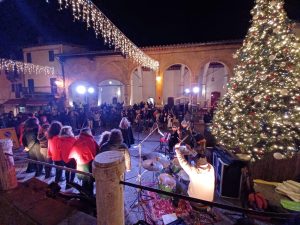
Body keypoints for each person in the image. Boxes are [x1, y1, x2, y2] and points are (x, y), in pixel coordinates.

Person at [69, 128, 99, 196]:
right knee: (89, 180)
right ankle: (89, 196)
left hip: (80, 163)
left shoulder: (78, 139)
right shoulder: (90, 140)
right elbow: (94, 152)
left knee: (84, 180)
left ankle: (84, 193)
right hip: (88, 163)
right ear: (88, 132)